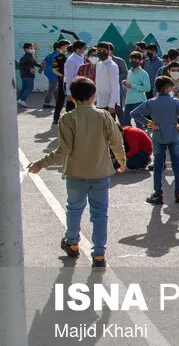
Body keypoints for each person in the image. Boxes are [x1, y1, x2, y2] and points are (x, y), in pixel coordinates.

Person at [28, 77, 125, 269]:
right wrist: (121, 162)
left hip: (76, 174)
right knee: (99, 213)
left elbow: (63, 150)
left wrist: (41, 163)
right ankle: (99, 254)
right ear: (94, 95)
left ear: (71, 98)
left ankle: (72, 243)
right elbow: (116, 142)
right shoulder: (104, 116)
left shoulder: (67, 118)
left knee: (73, 209)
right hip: (100, 173)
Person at [131, 76, 179, 204]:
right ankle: (178, 193)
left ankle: (157, 194)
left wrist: (150, 123)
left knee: (158, 166)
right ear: (168, 89)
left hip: (158, 135)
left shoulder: (151, 102)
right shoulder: (176, 102)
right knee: (176, 165)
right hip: (173, 135)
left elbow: (134, 113)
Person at [123, 51, 151, 127]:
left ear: (140, 61)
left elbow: (147, 88)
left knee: (139, 124)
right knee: (125, 123)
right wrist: (125, 84)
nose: (133, 61)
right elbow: (128, 87)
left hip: (139, 101)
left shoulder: (143, 73)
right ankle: (128, 138)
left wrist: (132, 85)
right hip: (128, 101)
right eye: (132, 59)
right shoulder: (129, 72)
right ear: (129, 60)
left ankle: (142, 137)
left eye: (136, 60)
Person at [93, 42, 121, 117]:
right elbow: (97, 83)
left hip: (108, 104)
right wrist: (95, 99)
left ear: (109, 52)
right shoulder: (98, 64)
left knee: (108, 127)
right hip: (99, 102)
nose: (101, 52)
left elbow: (115, 87)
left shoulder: (112, 66)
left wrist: (112, 104)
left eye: (104, 51)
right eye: (99, 50)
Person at [62, 40, 87, 114]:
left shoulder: (80, 57)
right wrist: (69, 92)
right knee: (71, 109)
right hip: (73, 86)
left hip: (79, 85)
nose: (85, 50)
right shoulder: (72, 60)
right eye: (84, 48)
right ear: (78, 49)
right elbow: (69, 77)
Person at [49, 40, 70, 121]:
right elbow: (54, 70)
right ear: (61, 47)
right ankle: (56, 118)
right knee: (60, 100)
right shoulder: (58, 57)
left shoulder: (71, 57)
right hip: (62, 81)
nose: (68, 47)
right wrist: (62, 76)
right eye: (66, 46)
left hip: (71, 81)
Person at [41, 40, 65, 108]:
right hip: (54, 72)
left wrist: (44, 70)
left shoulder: (50, 54)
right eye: (62, 47)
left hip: (48, 71)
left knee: (55, 88)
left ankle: (58, 102)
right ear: (58, 48)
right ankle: (46, 103)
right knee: (52, 88)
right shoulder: (58, 55)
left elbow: (43, 62)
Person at [16, 42, 39, 107]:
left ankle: (18, 100)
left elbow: (34, 63)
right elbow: (21, 64)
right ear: (26, 49)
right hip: (27, 75)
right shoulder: (25, 57)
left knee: (24, 88)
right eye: (31, 48)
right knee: (30, 88)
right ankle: (22, 100)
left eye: (32, 48)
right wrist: (29, 68)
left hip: (26, 75)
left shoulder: (30, 56)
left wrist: (40, 66)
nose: (33, 49)